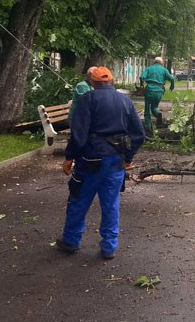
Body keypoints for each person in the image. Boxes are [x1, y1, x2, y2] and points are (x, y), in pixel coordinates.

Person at [56, 66, 145, 259]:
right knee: (111, 203)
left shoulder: (87, 99)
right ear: (112, 81)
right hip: (116, 160)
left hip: (90, 159)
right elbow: (139, 134)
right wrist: (128, 158)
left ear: (93, 83)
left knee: (79, 199)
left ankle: (71, 241)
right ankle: (109, 247)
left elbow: (78, 134)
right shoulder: (125, 101)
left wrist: (69, 157)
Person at [139, 56, 176, 131]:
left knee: (147, 108)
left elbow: (142, 77)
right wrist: (172, 86)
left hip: (149, 90)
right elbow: (172, 78)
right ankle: (157, 113)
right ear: (161, 63)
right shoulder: (164, 70)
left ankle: (148, 126)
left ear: (154, 62)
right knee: (154, 107)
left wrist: (141, 84)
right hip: (159, 91)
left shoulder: (149, 68)